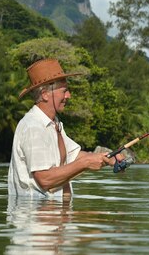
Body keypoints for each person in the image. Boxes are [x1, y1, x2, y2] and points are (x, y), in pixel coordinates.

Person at [8, 58, 119, 198]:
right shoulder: (33, 127)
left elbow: (73, 155)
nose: (69, 96)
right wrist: (85, 163)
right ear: (45, 94)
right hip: (35, 215)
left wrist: (111, 158)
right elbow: (44, 179)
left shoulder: (55, 124)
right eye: (64, 91)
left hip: (54, 215)